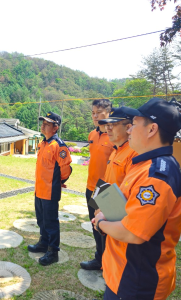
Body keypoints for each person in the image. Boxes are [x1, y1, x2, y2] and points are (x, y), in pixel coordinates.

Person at [93, 98, 181, 300]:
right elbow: (128, 209)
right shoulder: (144, 165)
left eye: (133, 125)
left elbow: (133, 233)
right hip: (121, 271)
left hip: (136, 280)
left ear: (152, 129)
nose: (129, 130)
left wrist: (101, 222)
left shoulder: (156, 175)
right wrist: (106, 210)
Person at [27, 111, 72, 266]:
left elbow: (66, 169)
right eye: (43, 123)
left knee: (51, 223)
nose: (43, 126)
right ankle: (43, 243)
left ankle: (53, 252)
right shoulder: (43, 143)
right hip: (39, 189)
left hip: (50, 191)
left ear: (56, 127)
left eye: (47, 124)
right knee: (41, 220)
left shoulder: (58, 146)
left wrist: (58, 181)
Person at [80, 99, 114, 270]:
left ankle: (109, 265)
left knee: (107, 230)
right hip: (91, 187)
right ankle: (98, 259)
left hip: (107, 190)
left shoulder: (115, 136)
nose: (94, 116)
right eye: (93, 112)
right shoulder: (92, 135)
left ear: (109, 113)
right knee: (95, 226)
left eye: (98, 112)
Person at [100, 107, 138, 187]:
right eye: (107, 125)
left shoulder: (134, 153)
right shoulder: (116, 150)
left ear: (128, 127)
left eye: (113, 125)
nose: (108, 129)